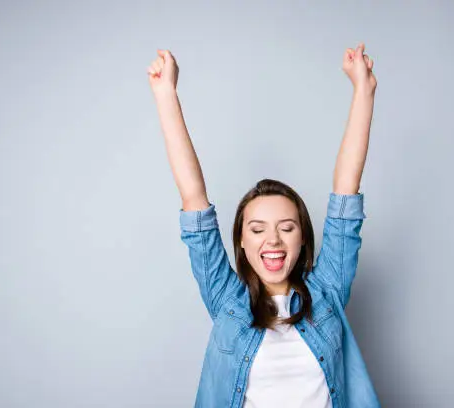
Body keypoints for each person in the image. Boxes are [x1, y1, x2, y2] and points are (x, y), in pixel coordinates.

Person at [147, 43, 380, 408]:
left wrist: (363, 91)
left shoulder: (328, 291)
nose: (273, 240)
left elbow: (346, 192)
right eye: (257, 229)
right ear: (240, 241)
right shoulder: (227, 301)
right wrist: (166, 95)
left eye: (287, 228)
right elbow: (193, 197)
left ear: (303, 238)